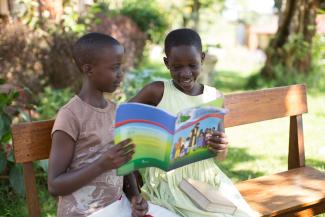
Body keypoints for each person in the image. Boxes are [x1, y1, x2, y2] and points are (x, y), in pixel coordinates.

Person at [48, 32, 179, 217]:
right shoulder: (70, 115)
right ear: (89, 69)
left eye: (121, 67)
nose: (120, 74)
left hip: (118, 205)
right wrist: (101, 164)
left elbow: (125, 165)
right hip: (84, 212)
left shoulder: (117, 111)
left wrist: (134, 197)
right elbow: (54, 185)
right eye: (115, 68)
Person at [130, 28, 256, 217]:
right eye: (177, 67)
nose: (185, 73)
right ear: (166, 63)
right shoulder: (156, 92)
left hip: (207, 179)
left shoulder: (214, 97)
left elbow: (220, 156)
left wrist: (221, 147)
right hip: (169, 181)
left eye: (192, 65)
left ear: (202, 58)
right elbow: (122, 120)